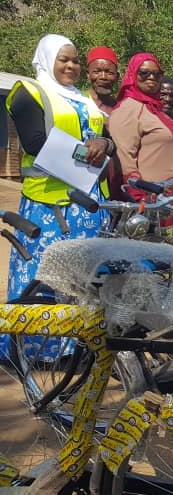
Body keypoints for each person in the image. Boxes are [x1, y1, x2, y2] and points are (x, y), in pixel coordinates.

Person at [4, 34, 114, 302]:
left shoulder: (84, 100)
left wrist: (104, 144)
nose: (71, 66)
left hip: (89, 206)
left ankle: (77, 344)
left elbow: (108, 141)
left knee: (85, 284)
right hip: (49, 207)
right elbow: (35, 143)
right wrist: (87, 151)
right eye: (63, 60)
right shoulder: (28, 92)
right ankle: (38, 344)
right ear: (46, 60)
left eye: (76, 61)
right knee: (44, 278)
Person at [108, 53, 173, 226]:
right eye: (144, 73)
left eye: (157, 74)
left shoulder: (154, 110)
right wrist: (139, 200)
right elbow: (124, 161)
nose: (151, 78)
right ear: (132, 74)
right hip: (149, 202)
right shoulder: (128, 109)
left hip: (170, 197)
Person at [85, 45, 119, 115]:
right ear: (88, 74)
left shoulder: (120, 108)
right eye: (96, 72)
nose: (103, 77)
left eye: (109, 72)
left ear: (117, 76)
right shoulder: (79, 103)